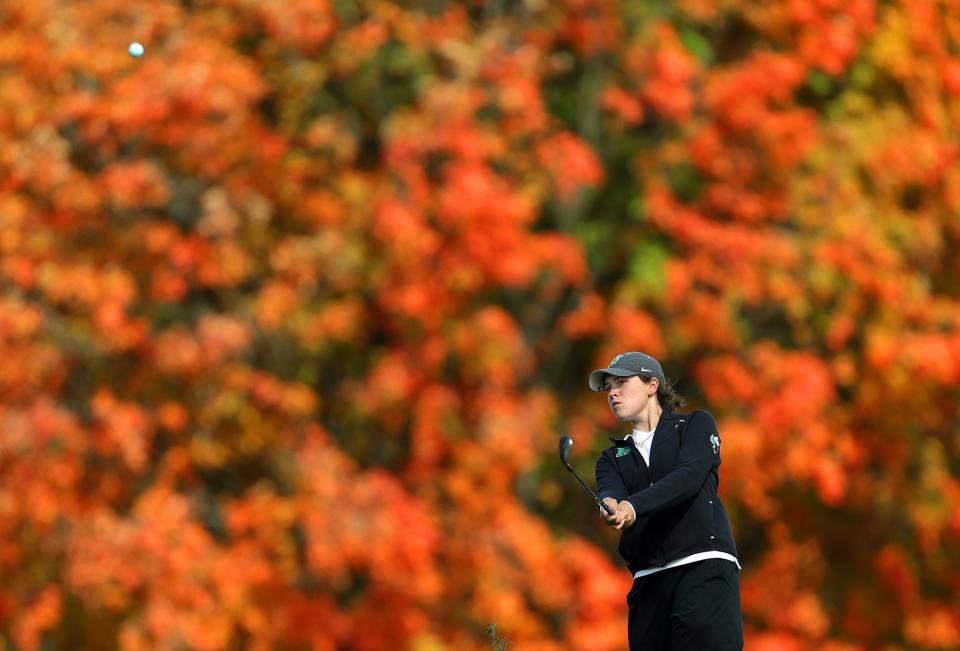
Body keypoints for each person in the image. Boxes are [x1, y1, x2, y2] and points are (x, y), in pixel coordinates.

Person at [589, 351, 743, 650]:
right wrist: (611, 506)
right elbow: (611, 491)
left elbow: (688, 477)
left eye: (621, 382)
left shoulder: (695, 426)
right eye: (609, 387)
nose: (613, 393)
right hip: (648, 583)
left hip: (701, 568)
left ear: (652, 385)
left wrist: (632, 507)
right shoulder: (611, 457)